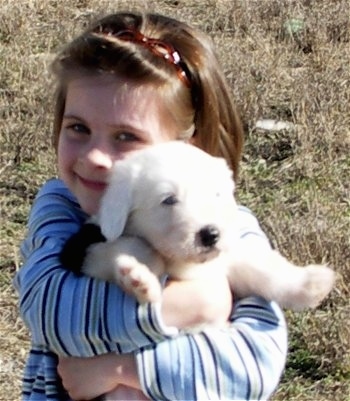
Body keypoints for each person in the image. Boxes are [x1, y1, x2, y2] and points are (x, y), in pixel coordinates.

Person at [13, 10, 288, 401]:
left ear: (184, 151)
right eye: (78, 128)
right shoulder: (60, 209)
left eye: (126, 136)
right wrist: (188, 305)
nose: (95, 157)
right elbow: (47, 309)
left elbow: (253, 367)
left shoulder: (226, 227)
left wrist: (119, 371)